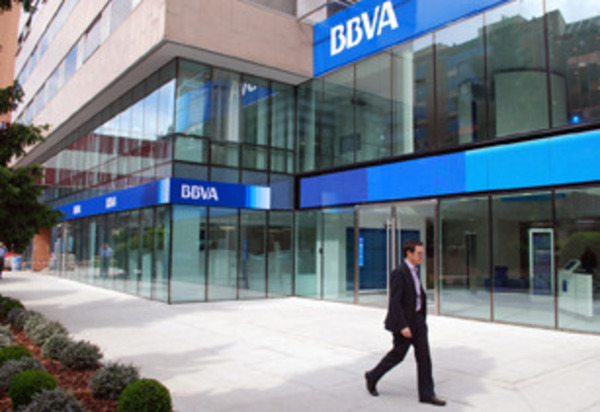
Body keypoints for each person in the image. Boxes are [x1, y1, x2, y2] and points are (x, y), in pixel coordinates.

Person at [365, 239, 446, 407]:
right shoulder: (399, 273)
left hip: (418, 321)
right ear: (409, 253)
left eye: (422, 253)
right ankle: (372, 376)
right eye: (419, 253)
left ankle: (427, 394)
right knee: (398, 355)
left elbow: (417, 296)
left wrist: (421, 318)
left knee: (424, 357)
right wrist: (402, 325)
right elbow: (395, 303)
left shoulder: (416, 271)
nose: (422, 256)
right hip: (405, 323)